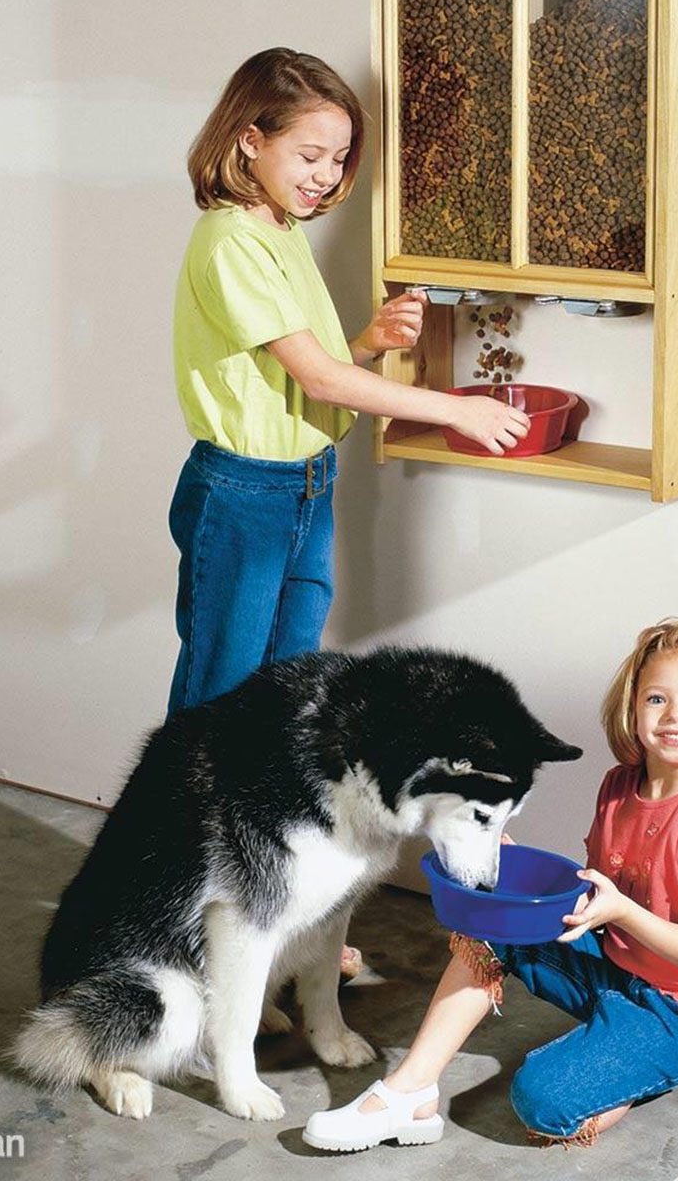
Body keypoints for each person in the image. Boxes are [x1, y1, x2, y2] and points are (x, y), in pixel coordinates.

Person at [304, 618, 678, 1151]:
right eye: (657, 698)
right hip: (613, 965)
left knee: (543, 1101)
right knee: (493, 921)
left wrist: (621, 914)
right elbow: (601, 888)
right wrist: (513, 866)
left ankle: (651, 1063)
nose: (676, 715)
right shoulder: (619, 785)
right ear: (633, 709)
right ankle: (410, 1093)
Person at [167, 47, 528, 717]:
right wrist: (457, 411)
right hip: (245, 491)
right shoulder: (230, 242)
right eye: (309, 156)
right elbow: (318, 380)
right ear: (251, 140)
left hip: (308, 481)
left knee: (287, 690)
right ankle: (179, 826)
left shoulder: (282, 229)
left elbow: (297, 372)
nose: (325, 176)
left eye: (338, 158)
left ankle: (258, 825)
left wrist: (366, 344)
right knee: (220, 692)